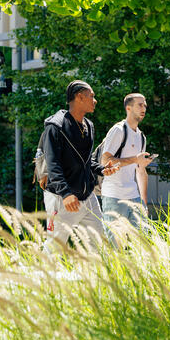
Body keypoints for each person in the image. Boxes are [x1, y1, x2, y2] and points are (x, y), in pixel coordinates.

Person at [42, 80, 119, 252]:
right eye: (91, 96)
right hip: (64, 199)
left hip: (87, 196)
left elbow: (85, 161)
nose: (95, 100)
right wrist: (66, 193)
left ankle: (96, 278)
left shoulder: (89, 126)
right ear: (79, 97)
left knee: (100, 244)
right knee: (54, 248)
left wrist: (102, 169)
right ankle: (38, 279)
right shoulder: (56, 127)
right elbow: (53, 164)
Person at [100, 93, 153, 227]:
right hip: (114, 197)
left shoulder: (141, 137)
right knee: (115, 244)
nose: (144, 109)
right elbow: (105, 161)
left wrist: (144, 203)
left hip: (134, 197)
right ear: (128, 108)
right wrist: (135, 159)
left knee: (141, 243)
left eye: (145, 105)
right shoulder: (118, 130)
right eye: (140, 105)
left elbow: (140, 172)